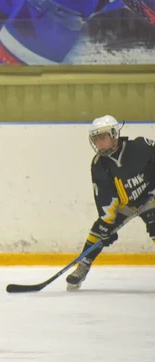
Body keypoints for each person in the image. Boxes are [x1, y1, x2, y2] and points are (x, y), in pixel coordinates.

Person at [67, 115, 155, 291]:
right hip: (125, 204)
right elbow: (106, 199)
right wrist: (106, 229)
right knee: (99, 229)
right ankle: (83, 265)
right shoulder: (99, 164)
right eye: (96, 139)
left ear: (114, 134)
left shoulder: (140, 147)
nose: (99, 143)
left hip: (151, 197)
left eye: (103, 137)